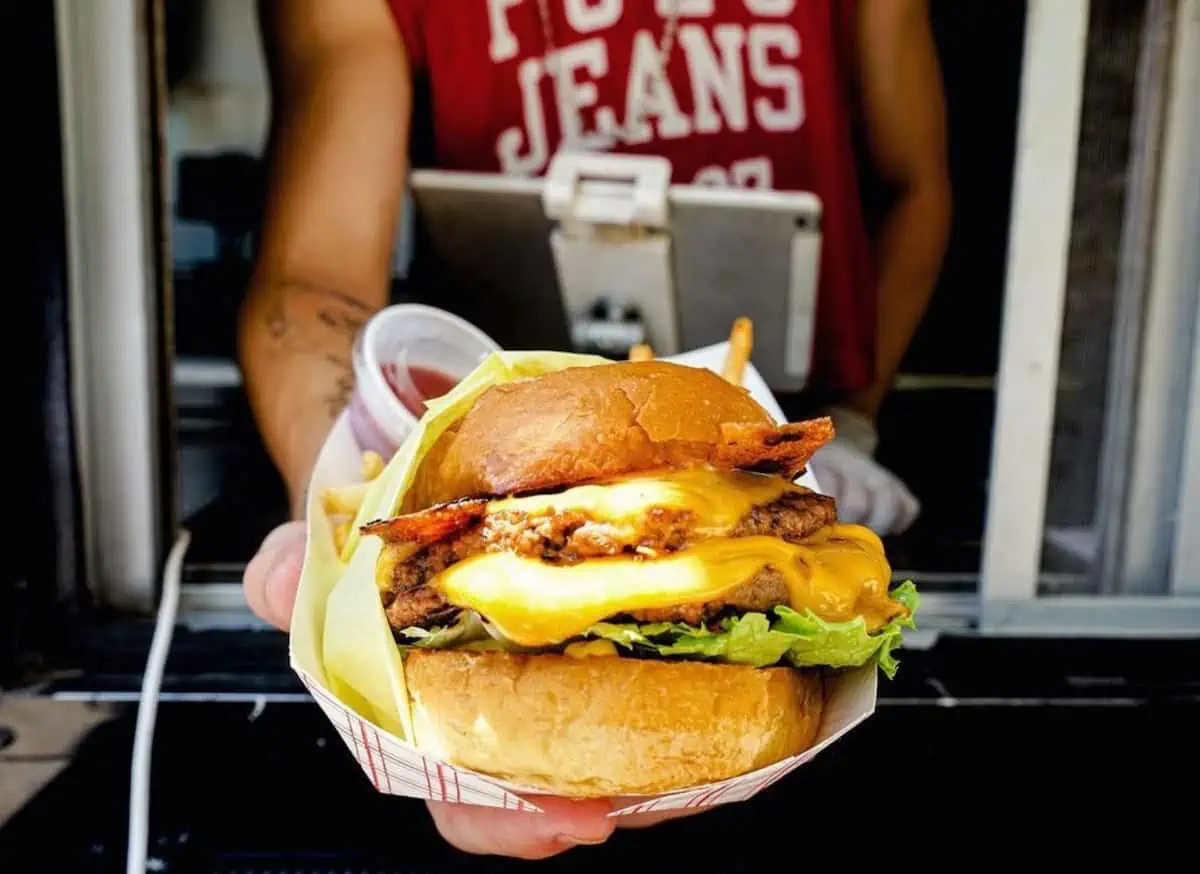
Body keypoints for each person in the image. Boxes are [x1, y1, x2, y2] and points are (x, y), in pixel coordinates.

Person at [239, 0, 950, 860]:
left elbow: (915, 184)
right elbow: (314, 282)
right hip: (478, 460)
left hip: (793, 437)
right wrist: (340, 507)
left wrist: (861, 410)